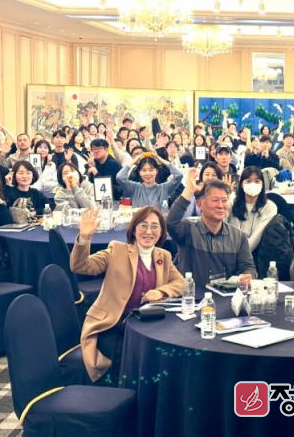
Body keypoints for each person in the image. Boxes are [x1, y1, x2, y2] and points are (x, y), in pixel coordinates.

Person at [70, 206, 185, 384]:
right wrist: (84, 237)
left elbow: (181, 284)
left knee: (168, 356)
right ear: (133, 229)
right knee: (134, 361)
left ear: (161, 232)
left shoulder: (163, 256)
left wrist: (161, 291)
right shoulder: (117, 250)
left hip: (147, 327)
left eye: (155, 226)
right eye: (143, 225)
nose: (149, 231)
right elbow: (81, 266)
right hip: (113, 326)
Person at [166, 170, 256, 287]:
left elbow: (248, 267)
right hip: (193, 295)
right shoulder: (188, 229)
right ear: (199, 204)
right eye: (215, 200)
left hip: (226, 296)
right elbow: (171, 223)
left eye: (224, 200)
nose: (220, 206)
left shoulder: (238, 237)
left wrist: (247, 276)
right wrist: (189, 190)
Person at [227, 166, 277, 252]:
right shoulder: (231, 202)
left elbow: (258, 235)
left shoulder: (269, 207)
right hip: (229, 249)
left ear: (262, 185)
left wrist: (242, 253)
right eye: (248, 181)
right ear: (241, 184)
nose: (252, 184)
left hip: (257, 252)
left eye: (257, 181)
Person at [116, 153, 183, 208]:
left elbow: (179, 175)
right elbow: (120, 177)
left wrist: (160, 159)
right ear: (139, 172)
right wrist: (134, 161)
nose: (148, 173)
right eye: (144, 170)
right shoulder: (134, 188)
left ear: (156, 171)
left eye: (151, 170)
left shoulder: (164, 188)